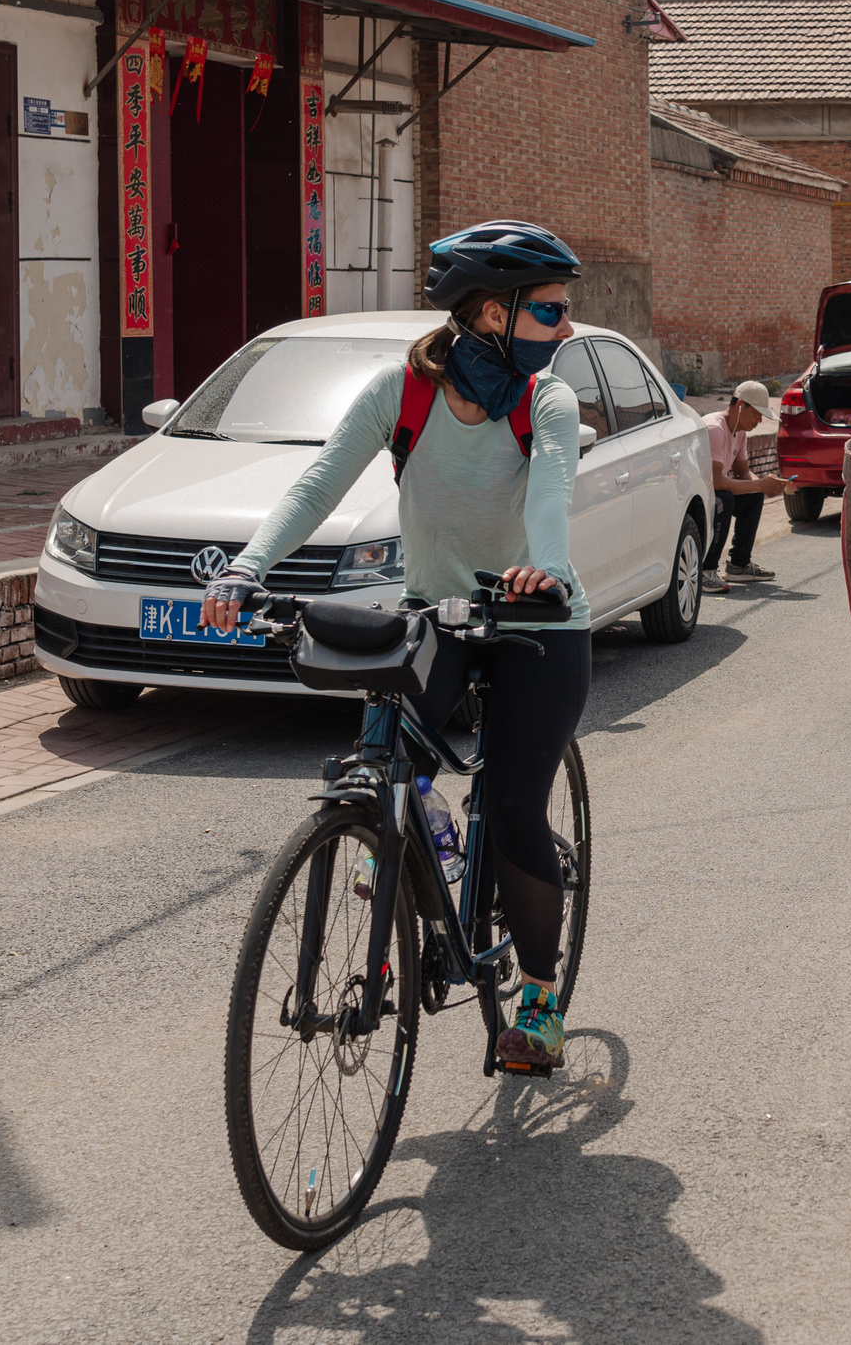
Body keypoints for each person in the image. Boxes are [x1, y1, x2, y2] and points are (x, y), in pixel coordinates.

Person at [201, 219, 590, 1070]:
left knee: (519, 803)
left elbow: (553, 485)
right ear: (493, 313)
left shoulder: (545, 399)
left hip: (539, 623)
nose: (564, 328)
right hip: (438, 610)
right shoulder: (401, 392)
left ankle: (537, 996)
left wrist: (548, 567)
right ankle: (409, 839)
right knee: (388, 761)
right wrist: (246, 567)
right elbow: (317, 482)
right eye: (552, 311)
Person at [703, 380, 789, 591]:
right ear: (740, 405)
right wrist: (761, 484)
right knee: (724, 499)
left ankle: (739, 566)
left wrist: (766, 484)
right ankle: (705, 571)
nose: (760, 420)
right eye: (758, 413)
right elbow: (715, 482)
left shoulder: (739, 431)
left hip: (715, 490)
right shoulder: (714, 428)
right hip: (697, 494)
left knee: (752, 496)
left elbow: (743, 474)